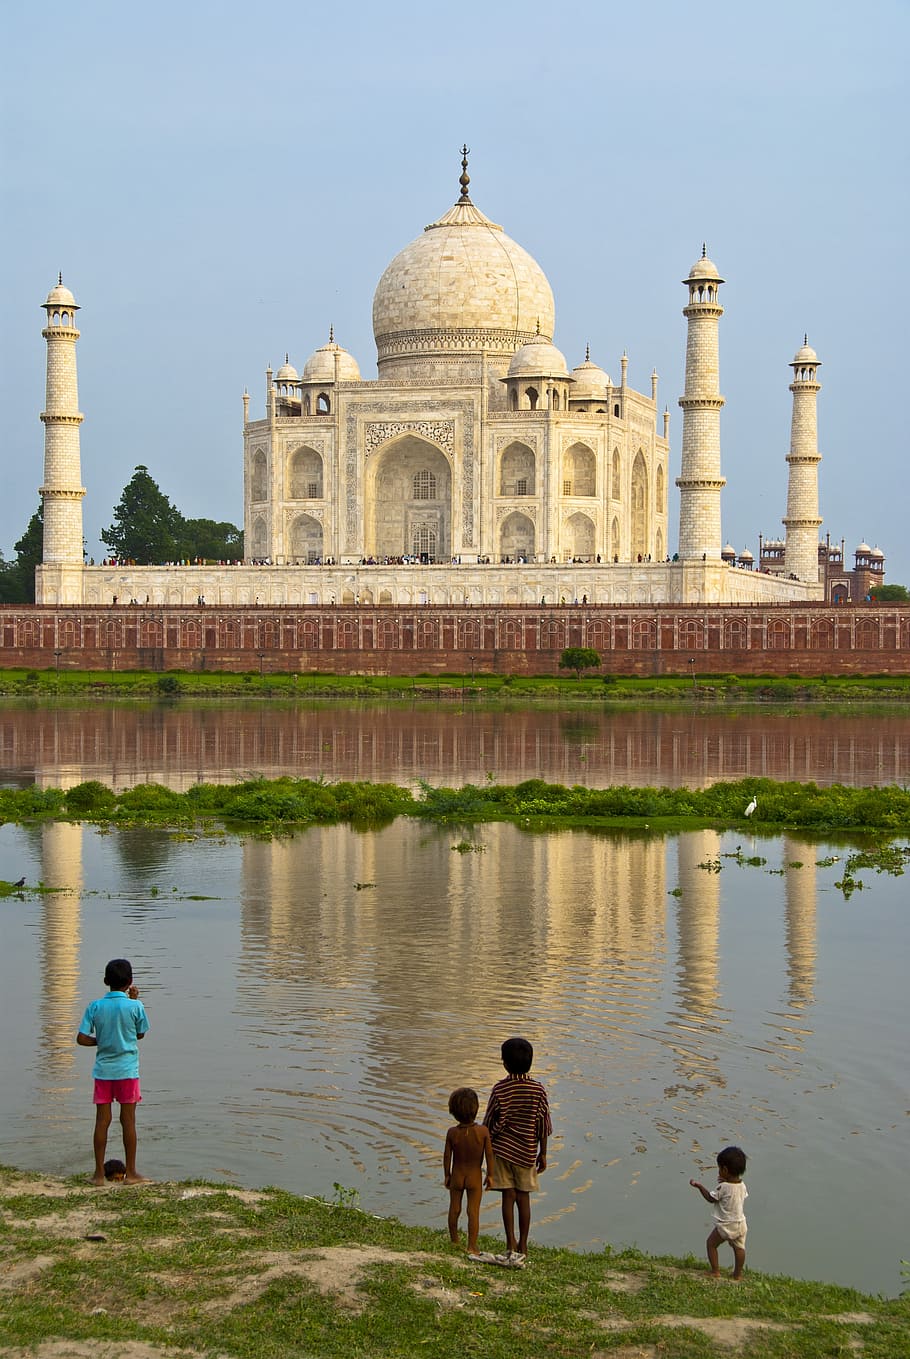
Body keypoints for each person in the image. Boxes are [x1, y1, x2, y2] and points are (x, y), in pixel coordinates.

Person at [76, 959, 150, 1186]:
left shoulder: (95, 1006)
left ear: (106, 981)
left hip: (103, 1071)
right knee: (128, 1122)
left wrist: (102, 1041)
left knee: (102, 1121)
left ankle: (98, 1175)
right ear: (130, 982)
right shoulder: (135, 1006)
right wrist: (134, 1001)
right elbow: (139, 1034)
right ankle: (132, 1173)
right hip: (127, 1071)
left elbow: (81, 1038)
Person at [483, 1037, 552, 1268]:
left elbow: (489, 1120)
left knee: (508, 1196)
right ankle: (523, 1243)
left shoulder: (500, 1089)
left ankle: (510, 1242)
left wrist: (486, 1146)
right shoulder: (538, 1090)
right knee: (524, 1198)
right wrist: (542, 1153)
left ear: (504, 1063)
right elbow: (543, 1123)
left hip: (502, 1150)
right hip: (527, 1151)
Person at [443, 1087, 495, 1260]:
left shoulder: (452, 1133)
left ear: (453, 1111)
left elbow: (447, 1156)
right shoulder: (483, 1132)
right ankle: (472, 1246)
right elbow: (489, 1155)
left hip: (457, 1175)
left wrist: (447, 1175)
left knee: (454, 1209)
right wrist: (491, 1175)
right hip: (474, 1177)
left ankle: (454, 1241)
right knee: (473, 1212)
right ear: (476, 1109)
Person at [690, 1145, 748, 1280]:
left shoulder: (723, 1187)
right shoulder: (742, 1185)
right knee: (739, 1248)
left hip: (726, 1225)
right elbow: (736, 1195)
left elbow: (711, 1198)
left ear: (725, 1170)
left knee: (711, 1244)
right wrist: (727, 1180)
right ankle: (737, 1275)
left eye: (719, 1168)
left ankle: (715, 1271)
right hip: (741, 1224)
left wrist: (699, 1186)